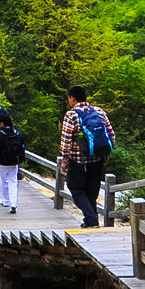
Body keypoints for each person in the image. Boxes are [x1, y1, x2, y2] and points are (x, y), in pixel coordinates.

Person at [58, 86, 112, 229]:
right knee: (91, 191)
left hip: (78, 160)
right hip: (97, 159)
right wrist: (106, 153)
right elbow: (111, 134)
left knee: (75, 188)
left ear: (73, 99)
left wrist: (64, 159)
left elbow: (66, 141)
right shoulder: (99, 111)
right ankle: (91, 222)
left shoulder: (71, 115)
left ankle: (91, 219)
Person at [0, 113, 25, 214]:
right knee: (13, 181)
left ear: (2, 123)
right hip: (15, 161)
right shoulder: (17, 133)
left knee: (3, 180)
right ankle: (13, 203)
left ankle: (5, 200)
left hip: (3, 161)